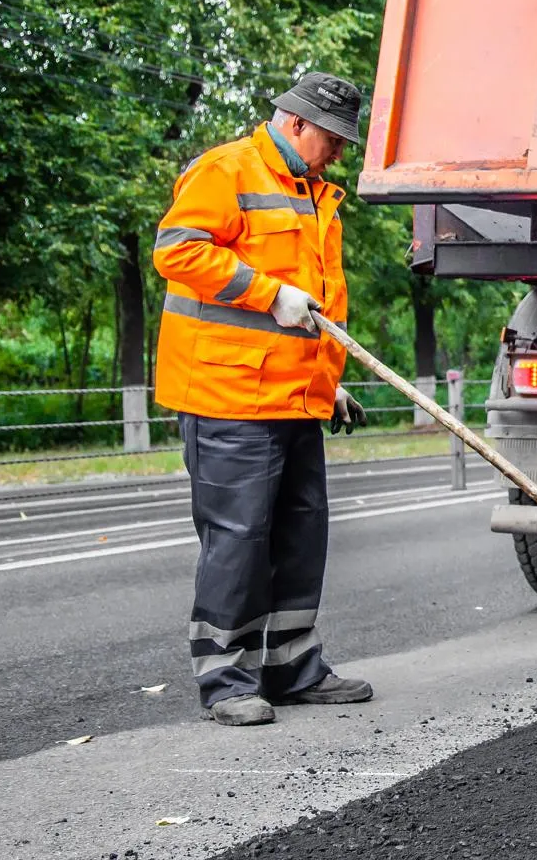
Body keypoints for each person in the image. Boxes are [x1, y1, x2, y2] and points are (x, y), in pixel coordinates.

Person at [152, 72, 373, 726]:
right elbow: (178, 250)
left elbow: (316, 311)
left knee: (302, 536)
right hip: (227, 396)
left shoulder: (310, 191)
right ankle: (226, 679)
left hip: (291, 397)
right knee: (240, 540)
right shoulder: (229, 169)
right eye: (332, 138)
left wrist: (328, 387)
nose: (339, 152)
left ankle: (291, 667)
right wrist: (267, 291)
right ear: (296, 121)